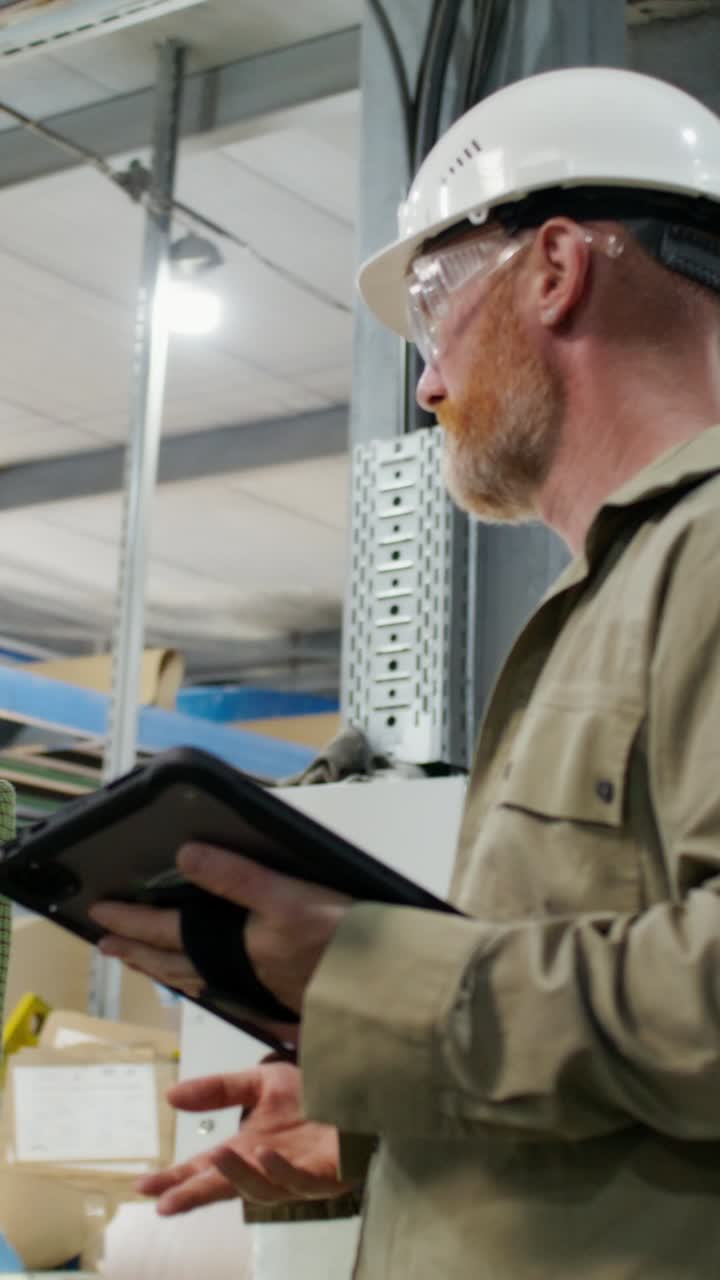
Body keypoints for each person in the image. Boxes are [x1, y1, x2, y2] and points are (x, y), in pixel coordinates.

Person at [90, 65, 720, 1277]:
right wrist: (381, 1119)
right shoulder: (597, 601)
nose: (428, 380)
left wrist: (372, 977)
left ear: (555, 268)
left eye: (435, 309)